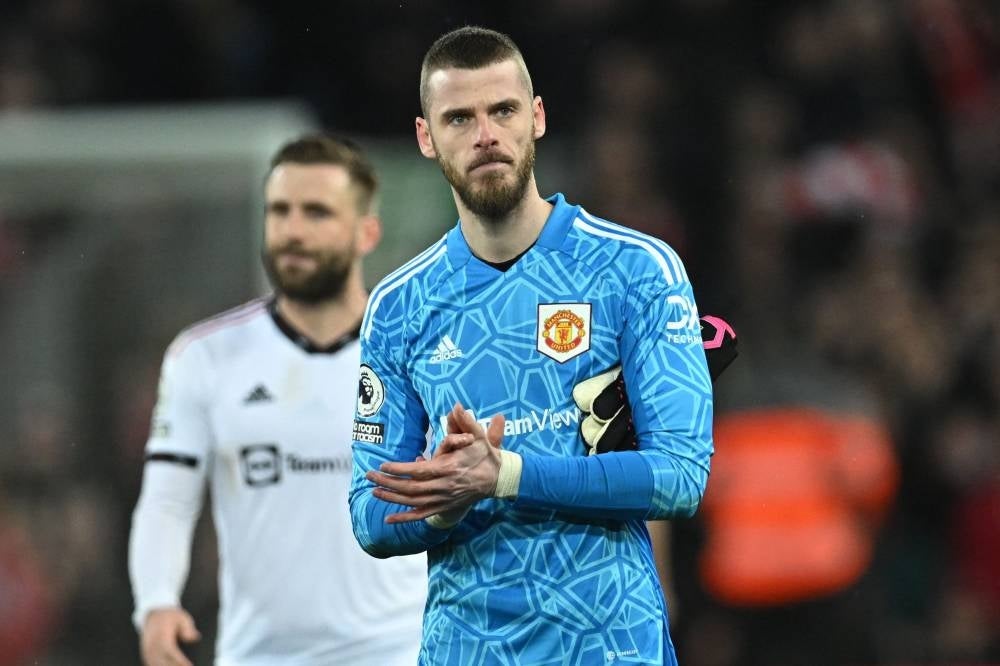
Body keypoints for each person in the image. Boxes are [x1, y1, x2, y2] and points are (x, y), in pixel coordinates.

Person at [350, 27, 714, 665]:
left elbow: (681, 477)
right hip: (470, 650)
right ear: (426, 137)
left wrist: (507, 475)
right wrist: (446, 499)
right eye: (459, 118)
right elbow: (368, 517)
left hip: (610, 645)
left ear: (537, 118)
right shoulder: (398, 307)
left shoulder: (635, 270)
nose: (485, 134)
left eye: (503, 110)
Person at [128, 134, 427, 666]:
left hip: (401, 651)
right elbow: (168, 500)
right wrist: (155, 603)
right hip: (259, 655)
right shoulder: (204, 356)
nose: (293, 230)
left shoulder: (419, 352)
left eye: (317, 212)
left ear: (367, 233)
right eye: (279, 211)